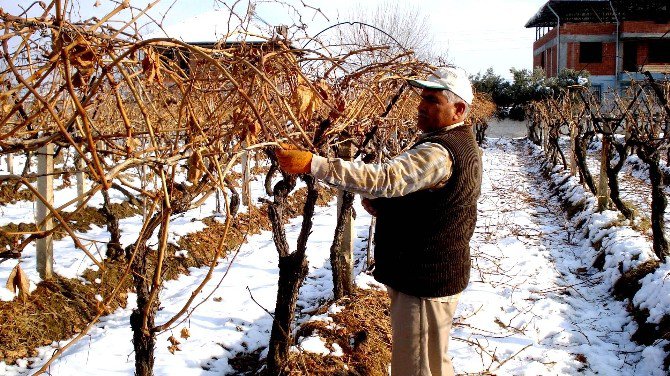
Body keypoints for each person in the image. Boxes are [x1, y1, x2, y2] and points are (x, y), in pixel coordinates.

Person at [275, 67, 482, 376]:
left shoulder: (440, 152)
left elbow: (385, 178)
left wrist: (314, 164)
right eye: (421, 98)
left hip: (425, 279)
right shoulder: (457, 143)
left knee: (417, 368)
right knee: (433, 362)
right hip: (430, 275)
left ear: (458, 110)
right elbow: (433, 202)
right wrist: (390, 209)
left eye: (432, 100)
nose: (421, 106)